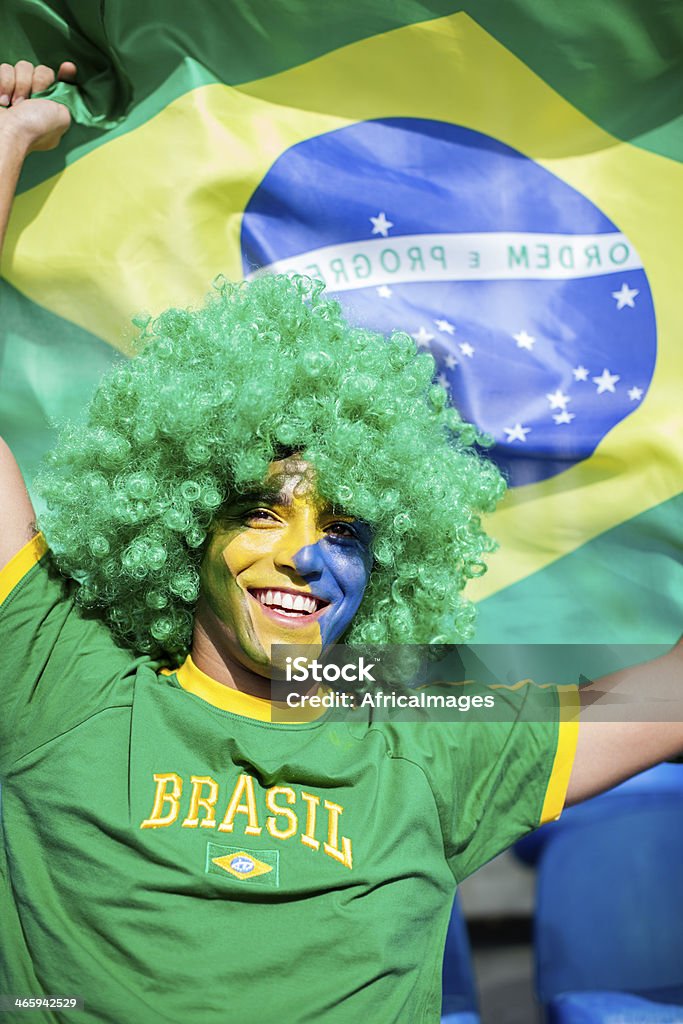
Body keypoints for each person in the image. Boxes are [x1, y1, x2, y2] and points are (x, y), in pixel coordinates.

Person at [1, 60, 682, 1024]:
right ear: (182, 529)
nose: (305, 557)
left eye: (346, 532)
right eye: (263, 512)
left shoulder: (425, 743)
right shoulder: (57, 680)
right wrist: (8, 143)